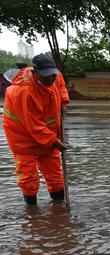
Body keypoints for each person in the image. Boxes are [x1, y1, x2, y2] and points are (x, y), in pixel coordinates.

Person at [2, 54, 69, 206]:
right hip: (23, 138)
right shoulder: (23, 92)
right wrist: (54, 140)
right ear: (35, 72)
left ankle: (58, 209)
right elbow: (33, 125)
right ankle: (32, 212)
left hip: (48, 135)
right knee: (28, 178)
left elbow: (61, 87)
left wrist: (64, 102)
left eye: (53, 75)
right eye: (46, 76)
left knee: (56, 175)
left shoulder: (54, 76)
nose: (51, 79)